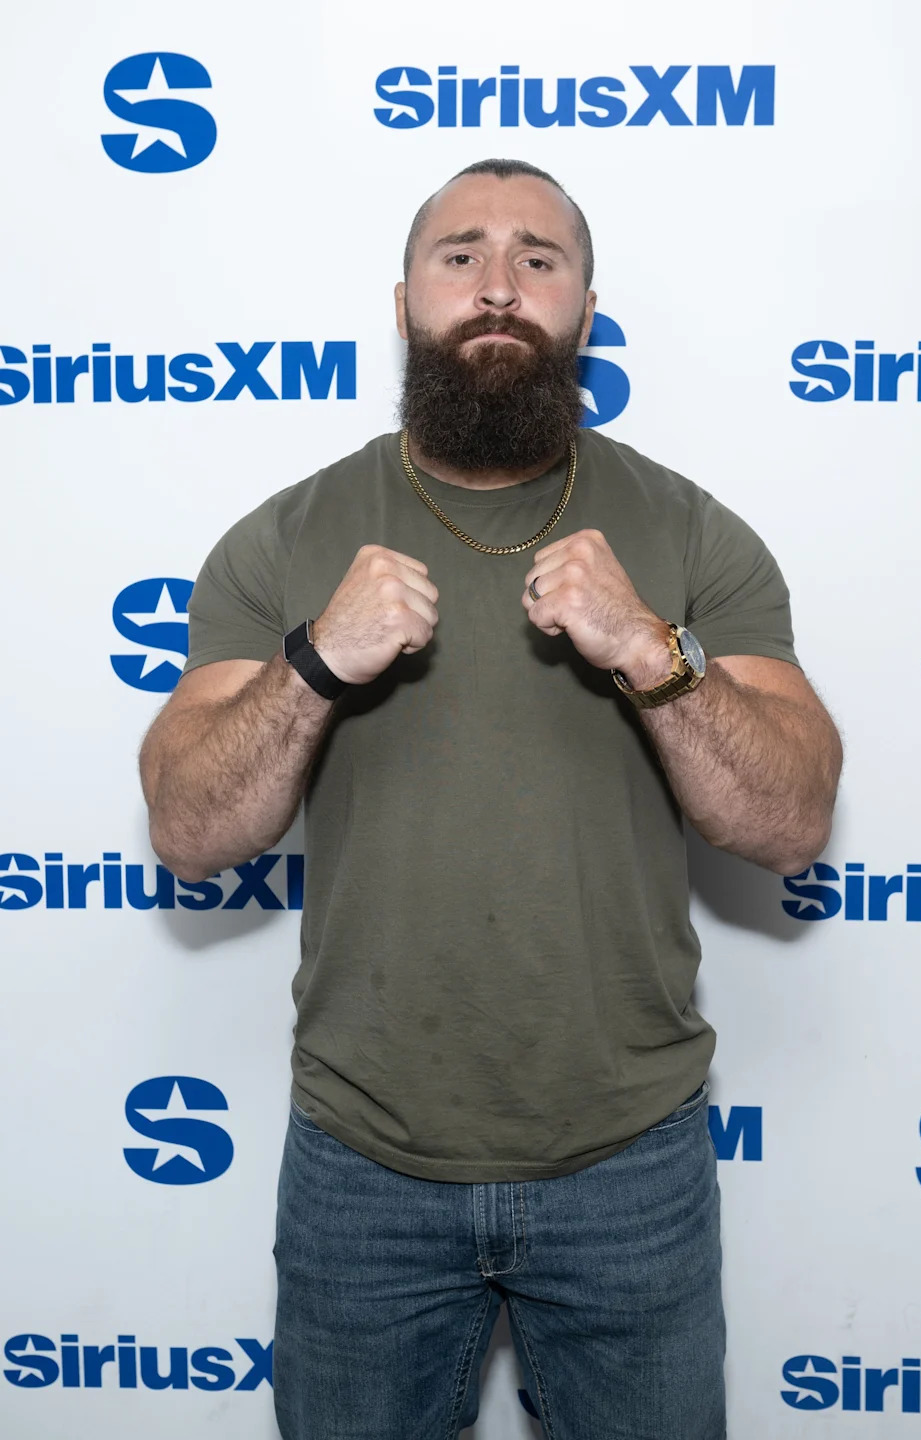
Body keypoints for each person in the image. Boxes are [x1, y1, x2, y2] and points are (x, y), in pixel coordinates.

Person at [139, 157, 842, 1440]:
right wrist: (311, 664)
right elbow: (191, 832)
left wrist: (653, 650)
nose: (499, 287)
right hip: (363, 1163)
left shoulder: (692, 533)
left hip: (631, 1160)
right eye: (459, 257)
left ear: (584, 307)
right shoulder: (284, 537)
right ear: (404, 300)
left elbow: (790, 820)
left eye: (539, 258)